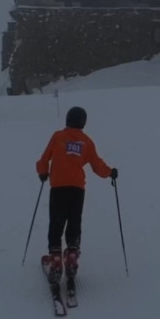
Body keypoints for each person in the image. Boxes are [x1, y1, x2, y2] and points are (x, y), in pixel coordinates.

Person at [34, 106, 116, 289]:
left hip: (58, 188)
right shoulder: (86, 142)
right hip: (77, 190)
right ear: (83, 122)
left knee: (56, 222)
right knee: (74, 222)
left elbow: (44, 158)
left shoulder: (57, 137)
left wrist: (42, 172)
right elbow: (97, 165)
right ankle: (71, 257)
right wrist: (110, 172)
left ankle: (55, 260)